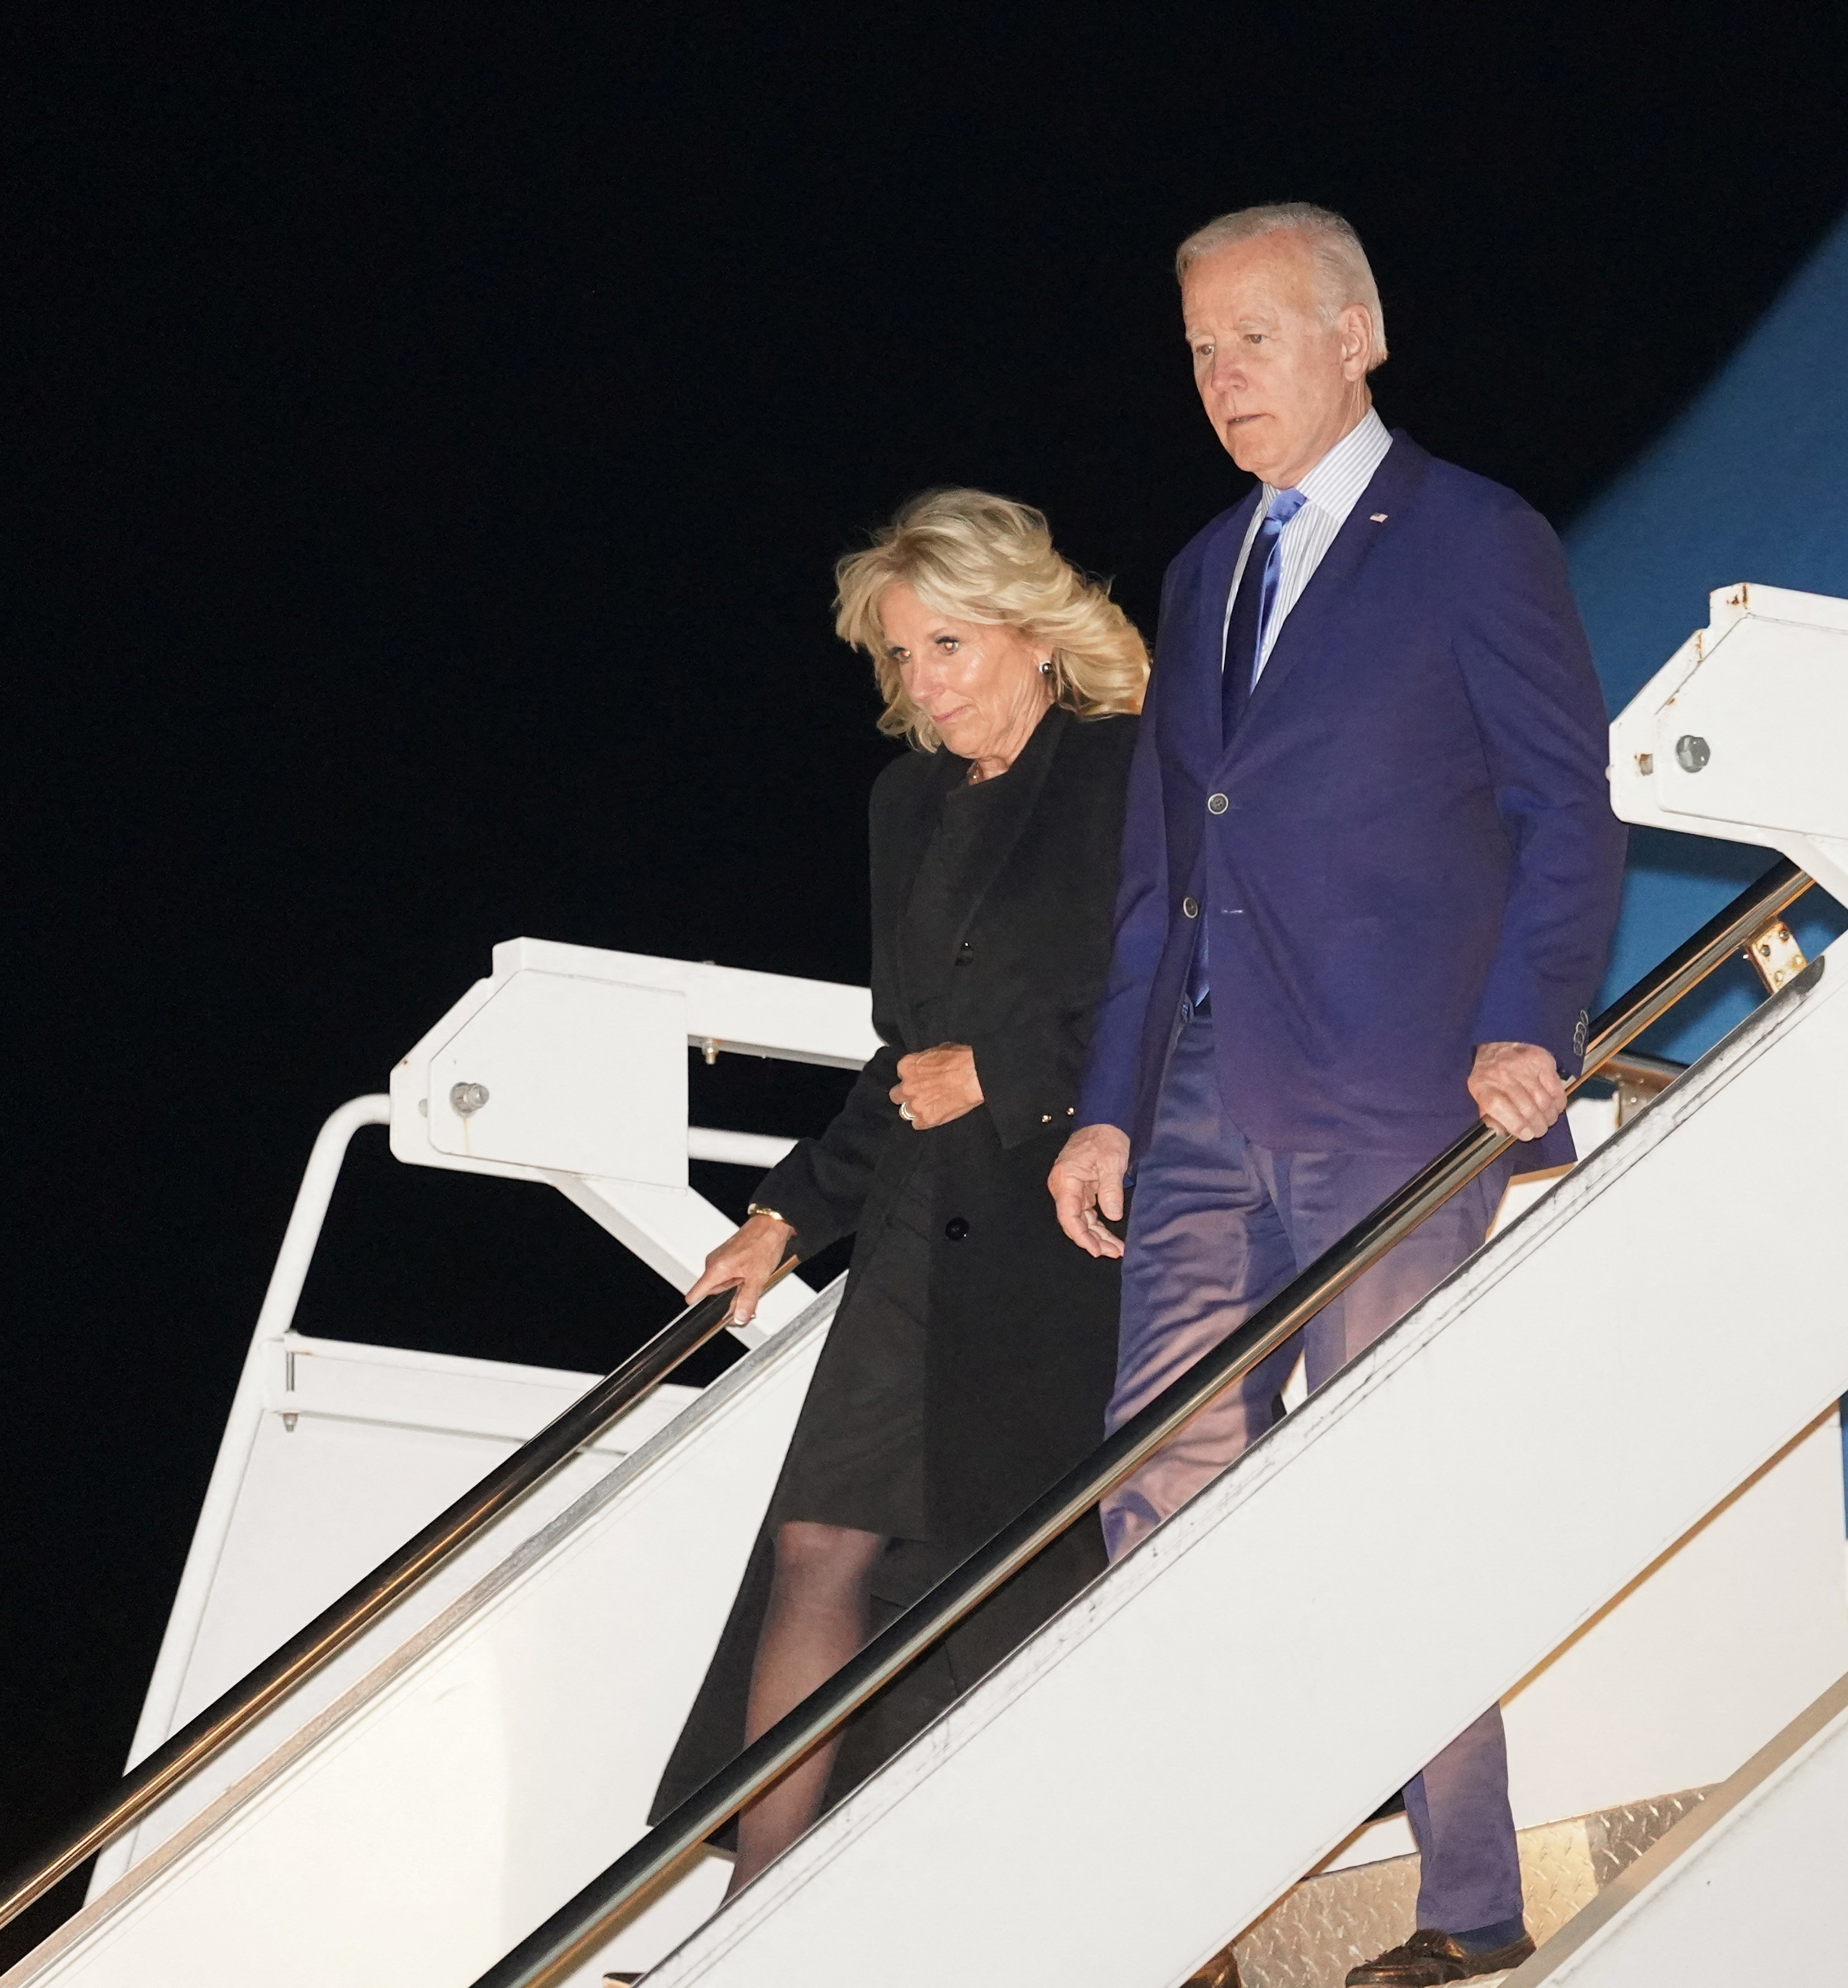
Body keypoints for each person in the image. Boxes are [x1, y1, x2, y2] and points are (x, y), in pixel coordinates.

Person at [1047, 204, 1625, 1988]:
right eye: (1201, 349)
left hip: (1400, 1089)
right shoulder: (1201, 568)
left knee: (1388, 1487)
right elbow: (1167, 871)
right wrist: (1111, 1102)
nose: (1223, 379)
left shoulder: (1470, 539)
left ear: (1355, 335)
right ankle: (1208, 1887)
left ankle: (1465, 1906)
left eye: (1256, 339)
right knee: (1160, 1465)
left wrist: (1531, 1022)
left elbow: (1567, 807)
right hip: (1208, 1083)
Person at [655, 487, 1146, 1891]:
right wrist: (782, 1214)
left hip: (1066, 1229)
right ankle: (757, 1904)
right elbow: (903, 1050)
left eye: (948, 646)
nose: (924, 686)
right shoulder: (907, 802)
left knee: (1003, 1595)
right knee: (817, 1544)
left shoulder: (1127, 773)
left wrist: (1011, 1075)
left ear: (1032, 633)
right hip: (917, 1229)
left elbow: (1170, 994)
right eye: (901, 656)